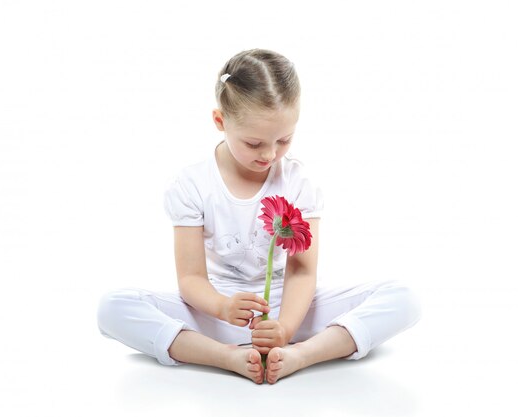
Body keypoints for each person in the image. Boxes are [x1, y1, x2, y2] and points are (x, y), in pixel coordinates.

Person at [97, 48, 421, 385]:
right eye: (253, 143)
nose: (269, 154)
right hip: (219, 309)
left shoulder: (299, 182)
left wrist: (284, 329)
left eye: (284, 140)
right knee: (113, 307)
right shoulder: (192, 184)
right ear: (220, 121)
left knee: (403, 298)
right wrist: (223, 307)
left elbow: (301, 271)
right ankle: (225, 356)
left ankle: (302, 354)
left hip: (289, 304)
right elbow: (191, 278)